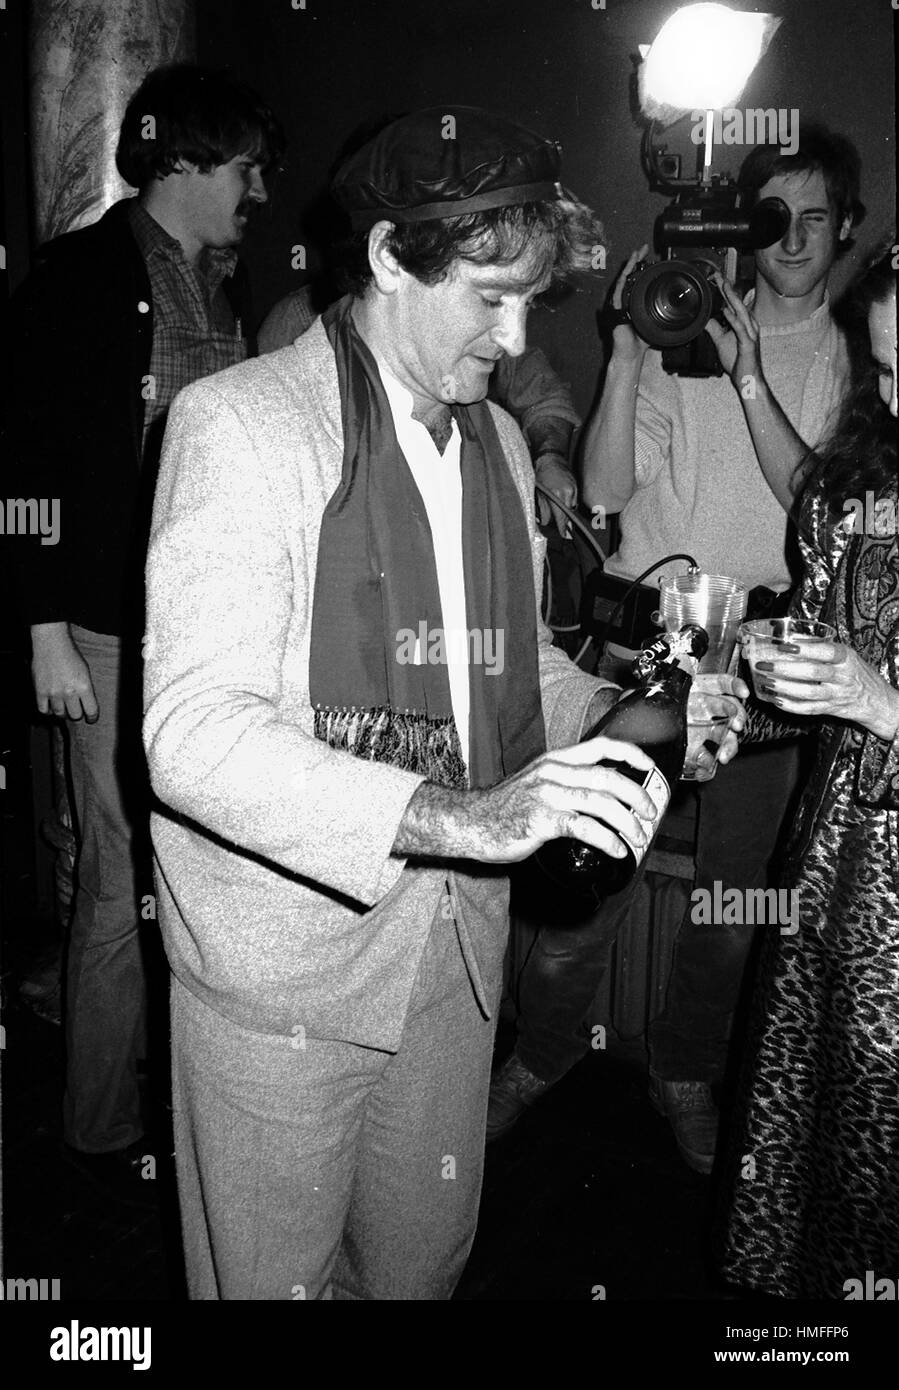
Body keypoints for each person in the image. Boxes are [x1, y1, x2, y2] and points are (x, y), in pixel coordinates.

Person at [142, 106, 744, 1299]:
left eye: (533, 300)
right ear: (382, 260)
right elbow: (190, 736)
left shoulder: (503, 452)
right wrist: (469, 818)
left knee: (420, 1273)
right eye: (487, 297)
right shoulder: (239, 426)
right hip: (284, 986)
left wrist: (634, 716)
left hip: (452, 963)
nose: (518, 337)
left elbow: (512, 675)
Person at [488, 126, 863, 1172]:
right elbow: (604, 492)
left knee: (735, 899)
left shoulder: (858, 357)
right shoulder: (671, 331)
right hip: (646, 646)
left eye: (813, 215)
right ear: (742, 224)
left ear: (842, 230)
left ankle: (684, 1068)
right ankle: (543, 1053)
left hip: (766, 655)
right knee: (593, 867)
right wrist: (624, 350)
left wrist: (747, 377)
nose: (789, 235)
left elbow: (820, 506)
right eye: (769, 213)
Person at [4, 62, 283, 1206]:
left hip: (204, 632)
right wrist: (41, 628)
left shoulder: (224, 281)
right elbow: (16, 462)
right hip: (106, 632)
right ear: (180, 162)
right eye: (243, 166)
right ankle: (99, 1127)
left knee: (192, 872)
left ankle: (171, 1090)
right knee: (118, 881)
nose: (260, 189)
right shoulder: (77, 277)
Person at [718, 243, 898, 1296]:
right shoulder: (859, 492)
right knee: (822, 1130)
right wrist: (759, 685)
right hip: (838, 870)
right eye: (884, 369)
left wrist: (879, 702)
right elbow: (822, 642)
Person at [258, 280, 582, 539]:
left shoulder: (503, 436)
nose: (514, 339)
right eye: (489, 298)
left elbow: (543, 394)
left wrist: (549, 456)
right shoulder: (294, 319)